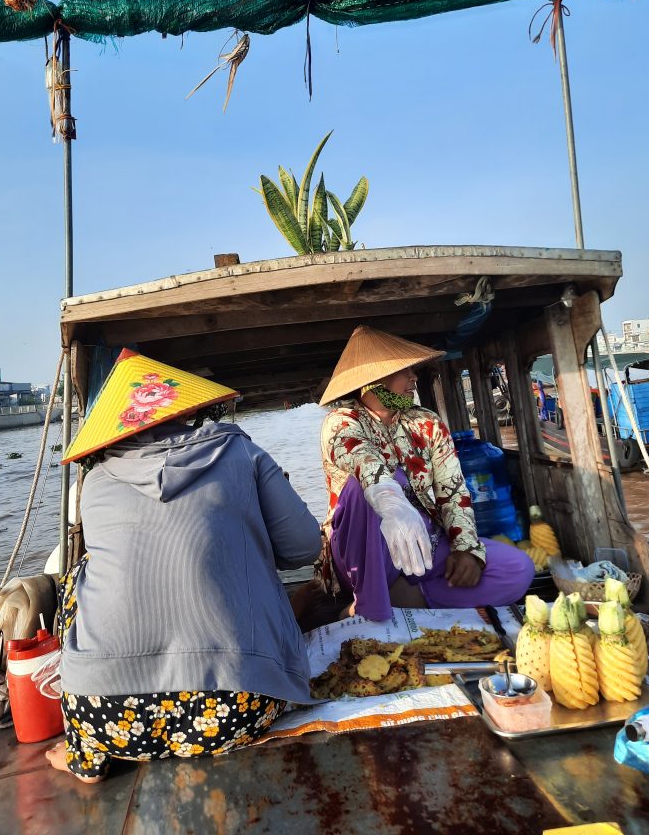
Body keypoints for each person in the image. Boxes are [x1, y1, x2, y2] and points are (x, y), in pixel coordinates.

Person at [46, 349, 321, 782]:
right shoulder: (240, 452)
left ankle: (87, 758)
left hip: (106, 719)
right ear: (184, 409)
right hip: (241, 706)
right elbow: (305, 548)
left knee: (77, 577)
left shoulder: (95, 481)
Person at [319, 326, 534, 621]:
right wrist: (390, 500)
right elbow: (363, 459)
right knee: (363, 486)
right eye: (404, 371)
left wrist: (466, 549)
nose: (414, 378)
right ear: (374, 381)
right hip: (364, 549)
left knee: (517, 569)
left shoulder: (426, 423)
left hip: (424, 541)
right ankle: (372, 602)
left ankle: (407, 598)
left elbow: (453, 490)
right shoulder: (341, 422)